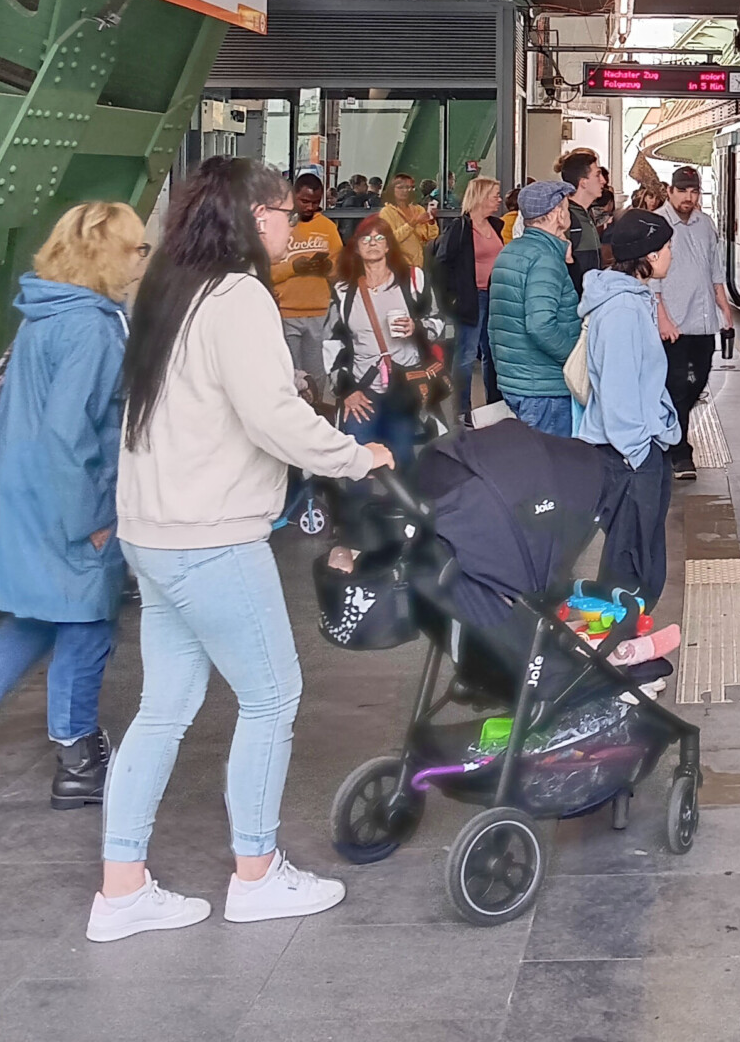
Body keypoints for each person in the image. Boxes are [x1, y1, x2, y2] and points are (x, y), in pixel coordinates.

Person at [90, 157, 389, 944]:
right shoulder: (239, 294)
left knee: (165, 709)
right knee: (272, 698)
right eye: (284, 213)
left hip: (151, 532)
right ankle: (256, 874)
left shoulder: (167, 287)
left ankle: (122, 887)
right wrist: (359, 458)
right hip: (211, 535)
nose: (292, 225)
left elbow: (201, 396)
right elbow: (271, 421)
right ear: (255, 218)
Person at [0, 202, 147, 806]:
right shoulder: (93, 328)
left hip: (24, 495)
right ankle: (78, 763)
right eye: (136, 247)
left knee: (38, 618)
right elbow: (72, 433)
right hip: (69, 504)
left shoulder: (47, 312)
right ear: (105, 253)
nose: (144, 258)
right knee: (88, 625)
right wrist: (93, 521)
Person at [578, 208, 680, 604]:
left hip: (636, 448)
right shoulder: (621, 311)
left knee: (640, 558)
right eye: (667, 247)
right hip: (627, 456)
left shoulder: (631, 300)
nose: (671, 253)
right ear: (649, 256)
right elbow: (619, 392)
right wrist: (639, 452)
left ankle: (625, 642)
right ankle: (615, 649)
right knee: (630, 566)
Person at [327, 214, 446, 469]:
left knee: (402, 459)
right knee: (358, 463)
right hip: (362, 389)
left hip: (404, 388)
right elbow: (332, 344)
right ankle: (358, 509)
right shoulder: (344, 291)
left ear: (389, 245)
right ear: (356, 247)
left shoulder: (413, 281)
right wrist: (346, 390)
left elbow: (439, 323)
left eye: (379, 237)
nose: (372, 243)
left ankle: (404, 509)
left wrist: (417, 327)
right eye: (365, 238)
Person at [655, 165, 737, 479]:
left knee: (698, 382)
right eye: (683, 191)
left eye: (694, 191)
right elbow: (652, 281)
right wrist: (662, 318)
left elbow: (714, 269)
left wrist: (724, 307)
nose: (689, 197)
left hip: (704, 324)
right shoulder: (659, 225)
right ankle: (679, 452)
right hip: (673, 323)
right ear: (670, 192)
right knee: (676, 385)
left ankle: (667, 431)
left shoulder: (706, 225)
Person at [488, 180, 582, 436]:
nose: (568, 213)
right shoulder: (545, 259)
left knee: (529, 465)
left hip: (516, 378)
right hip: (544, 387)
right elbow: (541, 326)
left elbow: (496, 321)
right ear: (556, 214)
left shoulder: (512, 251)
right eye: (566, 206)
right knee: (549, 470)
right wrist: (575, 360)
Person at [433, 176, 503, 419]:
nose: (499, 199)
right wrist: (452, 295)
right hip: (471, 299)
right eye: (495, 195)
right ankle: (462, 409)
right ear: (482, 197)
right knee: (466, 354)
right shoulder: (461, 228)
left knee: (491, 353)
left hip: (493, 296)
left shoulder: (495, 225)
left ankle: (494, 405)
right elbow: (442, 263)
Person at [271, 172, 341, 404]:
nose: (311, 207)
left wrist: (327, 268)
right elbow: (264, 273)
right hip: (285, 312)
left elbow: (339, 271)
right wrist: (294, 268)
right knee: (289, 375)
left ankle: (316, 416)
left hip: (319, 312)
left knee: (317, 375)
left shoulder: (328, 228)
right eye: (305, 201)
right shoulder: (279, 226)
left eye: (315, 202)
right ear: (293, 196)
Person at [558, 151, 605, 291]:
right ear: (583, 182)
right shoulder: (565, 217)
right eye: (597, 175)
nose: (603, 180)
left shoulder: (585, 214)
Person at [378, 172, 436, 275]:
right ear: (392, 190)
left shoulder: (419, 209)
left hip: (420, 266)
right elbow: (390, 240)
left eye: (409, 188)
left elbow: (431, 238)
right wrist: (413, 223)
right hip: (397, 266)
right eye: (400, 187)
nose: (405, 191)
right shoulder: (386, 212)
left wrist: (431, 221)